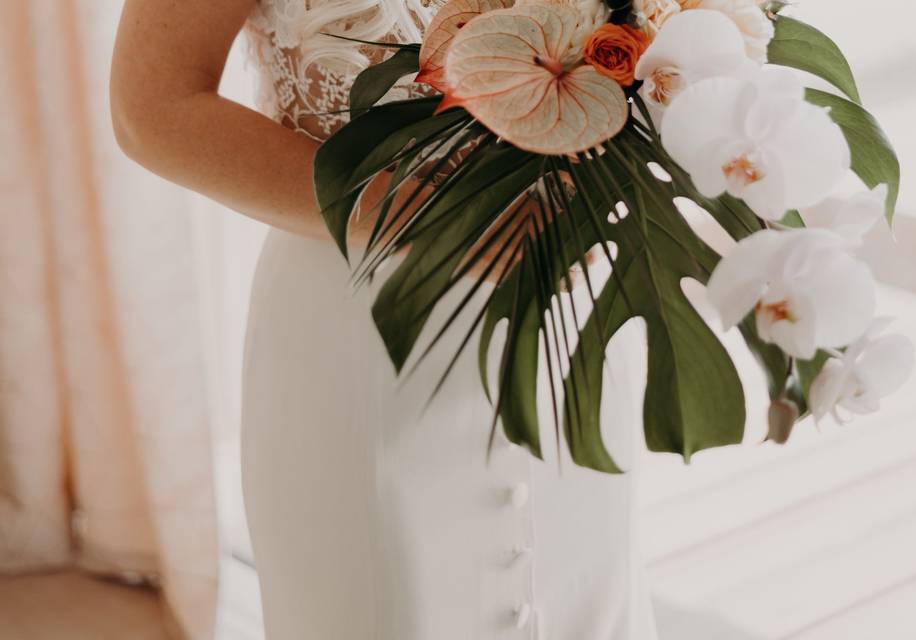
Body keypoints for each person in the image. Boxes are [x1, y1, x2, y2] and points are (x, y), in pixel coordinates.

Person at [111, 1, 659, 637]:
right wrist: (419, 218)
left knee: (586, 595)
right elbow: (151, 106)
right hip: (361, 327)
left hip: (574, 312)